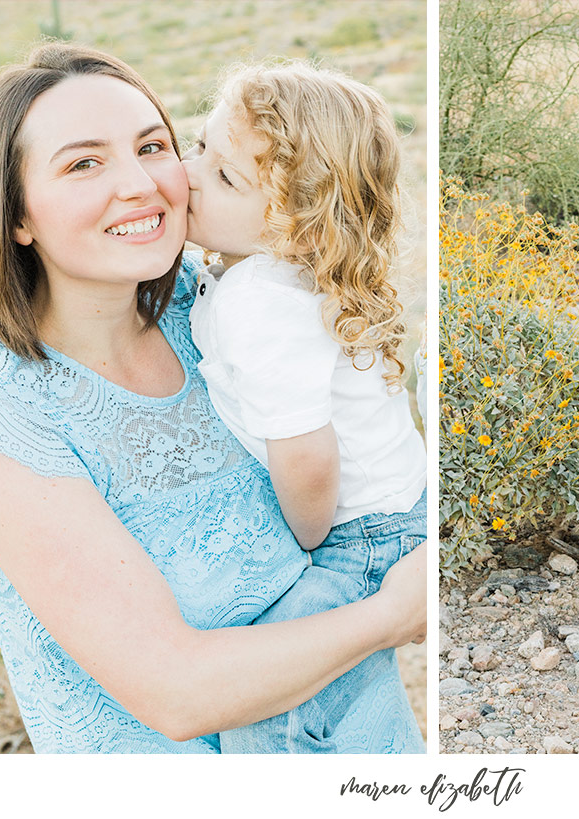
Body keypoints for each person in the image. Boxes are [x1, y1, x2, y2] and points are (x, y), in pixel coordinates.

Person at [0, 43, 425, 753]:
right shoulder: (1, 433)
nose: (143, 184)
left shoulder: (219, 302)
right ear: (16, 217)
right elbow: (177, 693)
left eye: (153, 146)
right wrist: (398, 612)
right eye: (84, 163)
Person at [181, 61, 427, 752]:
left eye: (226, 177)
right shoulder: (266, 271)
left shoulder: (258, 300)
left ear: (303, 227)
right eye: (201, 148)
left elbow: (309, 459)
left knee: (288, 708)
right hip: (392, 510)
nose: (189, 173)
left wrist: (305, 545)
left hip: (351, 536)